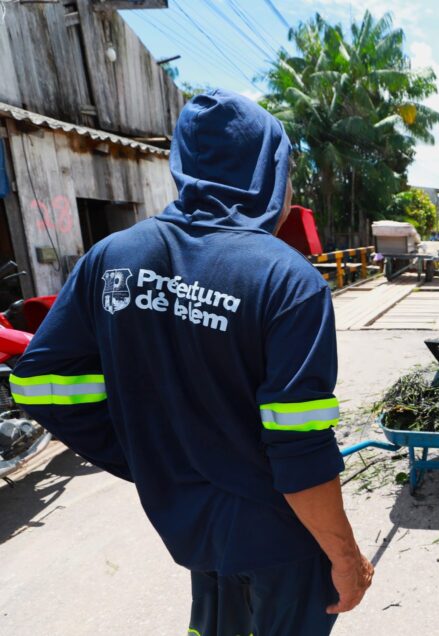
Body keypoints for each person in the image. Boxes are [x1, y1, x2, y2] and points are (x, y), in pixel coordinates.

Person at [11, 90, 373, 635]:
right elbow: (299, 446)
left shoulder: (112, 257)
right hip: (278, 539)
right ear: (267, 170)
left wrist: (150, 456)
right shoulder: (287, 280)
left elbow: (39, 383)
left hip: (187, 523)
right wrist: (346, 559)